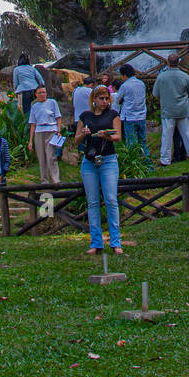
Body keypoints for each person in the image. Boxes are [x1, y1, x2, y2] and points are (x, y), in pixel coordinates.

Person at [76, 85, 123, 255]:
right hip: (89, 161)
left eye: (107, 98)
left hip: (108, 160)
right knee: (93, 202)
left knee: (111, 199)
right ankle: (96, 242)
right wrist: (83, 133)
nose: (105, 102)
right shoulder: (85, 116)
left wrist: (107, 135)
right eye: (101, 99)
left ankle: (116, 241)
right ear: (94, 100)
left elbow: (118, 137)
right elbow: (76, 140)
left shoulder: (113, 115)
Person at [154, 52, 189, 166]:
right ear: (178, 62)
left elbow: (156, 94)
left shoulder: (161, 76)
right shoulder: (184, 76)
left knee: (167, 137)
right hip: (183, 109)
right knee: (188, 135)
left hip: (168, 110)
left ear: (168, 63)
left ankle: (165, 159)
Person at [113, 64, 151, 169]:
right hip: (141, 116)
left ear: (125, 75)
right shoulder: (141, 84)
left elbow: (117, 99)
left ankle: (133, 165)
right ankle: (148, 164)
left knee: (131, 143)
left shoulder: (125, 85)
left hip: (129, 117)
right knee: (143, 141)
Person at [27, 84, 62, 186]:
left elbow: (58, 117)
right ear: (36, 94)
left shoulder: (52, 102)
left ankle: (56, 180)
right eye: (40, 93)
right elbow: (33, 124)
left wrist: (58, 130)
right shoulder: (34, 106)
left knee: (51, 156)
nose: (42, 94)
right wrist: (30, 141)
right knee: (41, 157)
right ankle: (44, 180)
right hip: (39, 131)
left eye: (43, 92)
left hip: (51, 129)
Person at [12, 52, 45, 118]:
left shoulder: (16, 69)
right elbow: (40, 79)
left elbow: (15, 82)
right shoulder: (32, 68)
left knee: (27, 111)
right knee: (38, 108)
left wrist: (15, 90)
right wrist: (42, 88)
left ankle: (29, 125)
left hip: (25, 90)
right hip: (35, 90)